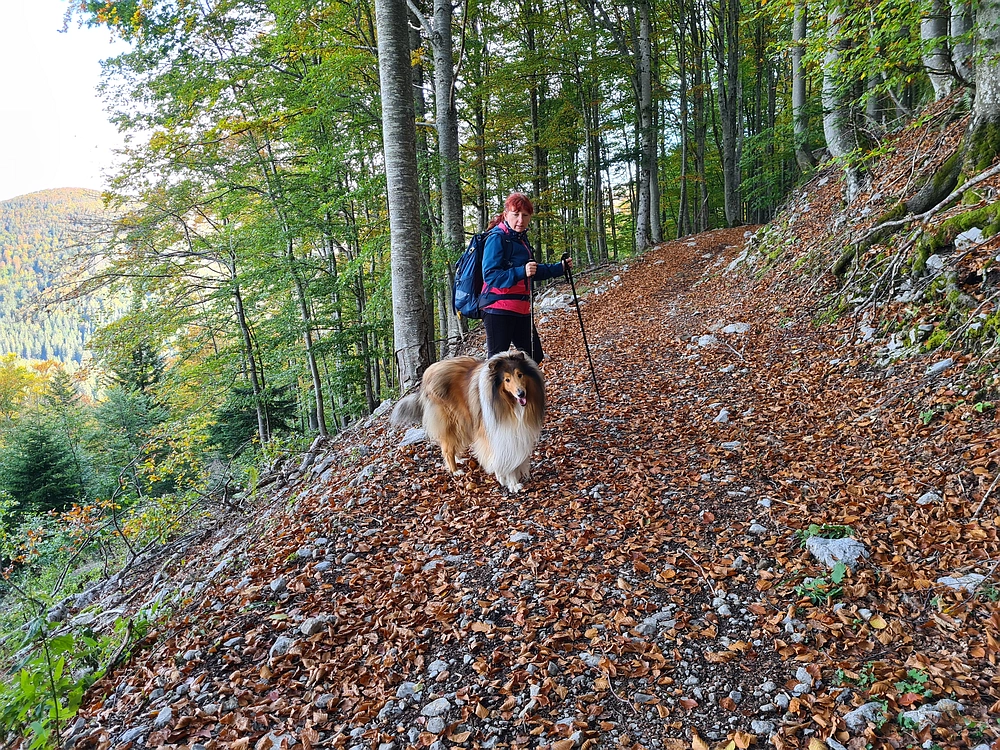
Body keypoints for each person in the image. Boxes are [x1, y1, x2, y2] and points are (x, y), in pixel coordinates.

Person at [479, 192, 571, 364]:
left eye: (525, 215)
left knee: (534, 358)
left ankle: (519, 389)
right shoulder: (497, 238)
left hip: (520, 309)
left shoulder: (520, 239)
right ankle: (499, 390)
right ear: (506, 215)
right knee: (496, 365)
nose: (520, 220)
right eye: (516, 215)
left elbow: (532, 270)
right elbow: (491, 275)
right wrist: (521, 271)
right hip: (498, 309)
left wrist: (560, 268)